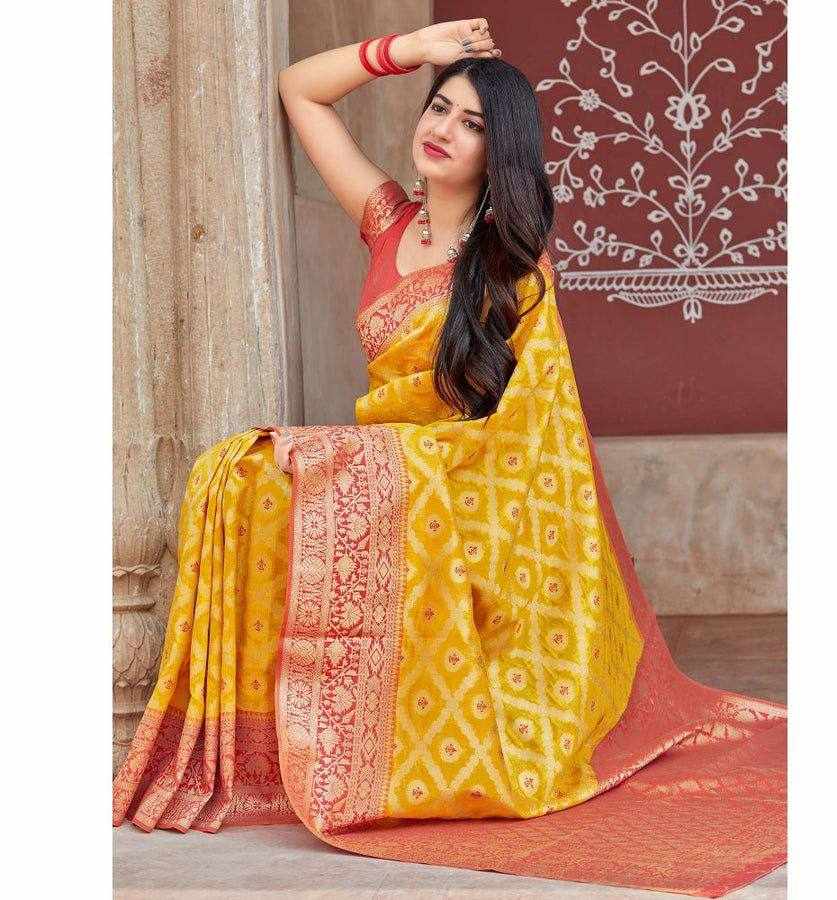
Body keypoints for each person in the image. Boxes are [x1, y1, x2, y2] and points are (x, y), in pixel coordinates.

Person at [113, 19, 787, 895]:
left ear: (498, 153)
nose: (443, 129)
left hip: (477, 498)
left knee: (292, 469)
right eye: (439, 108)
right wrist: (412, 49)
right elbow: (300, 90)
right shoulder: (385, 220)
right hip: (397, 473)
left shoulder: (514, 267)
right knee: (240, 474)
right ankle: (278, 742)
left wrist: (391, 463)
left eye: (472, 124)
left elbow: (530, 436)